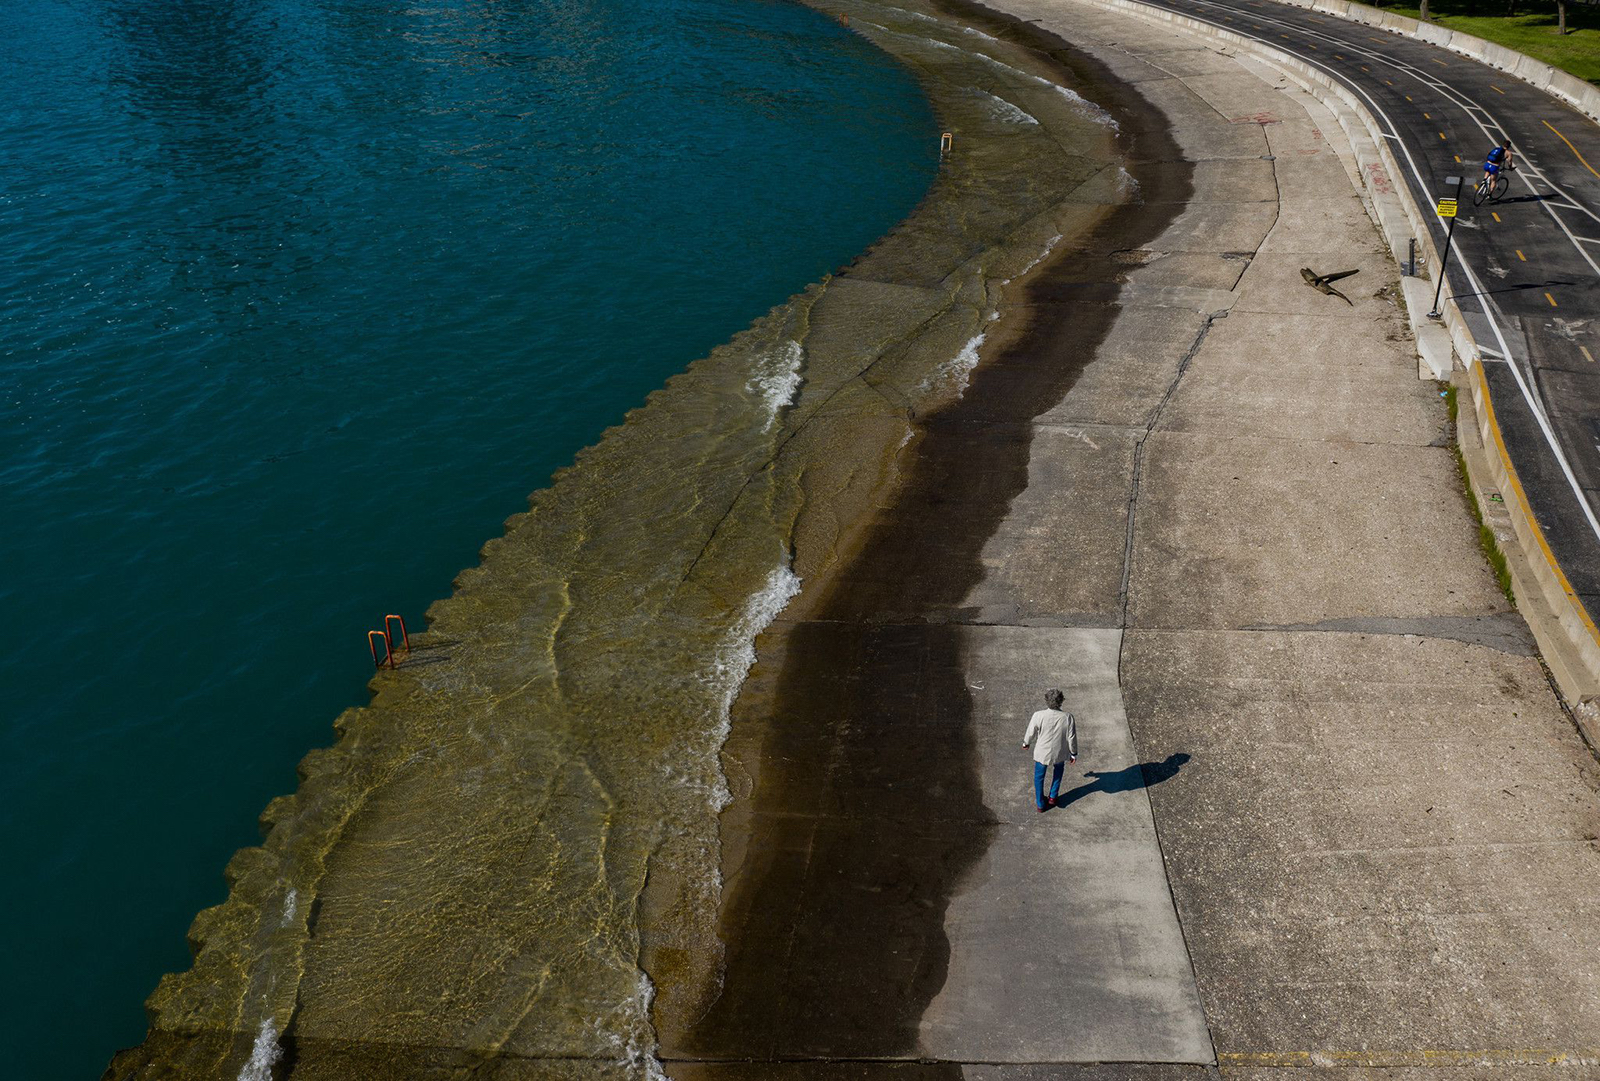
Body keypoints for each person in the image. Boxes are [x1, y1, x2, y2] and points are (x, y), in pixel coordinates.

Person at [1022, 689, 1078, 812]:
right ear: (1061, 701)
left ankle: (1040, 804)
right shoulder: (1068, 717)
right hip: (1059, 752)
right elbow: (1071, 737)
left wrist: (1026, 742)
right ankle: (1053, 796)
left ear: (1047, 700)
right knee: (1058, 771)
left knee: (1039, 777)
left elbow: (1031, 731)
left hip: (1043, 752)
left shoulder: (1038, 715)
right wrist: (1073, 753)